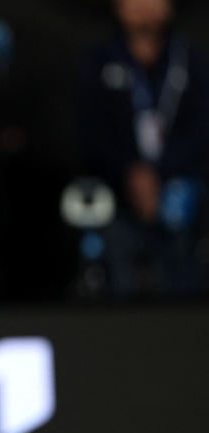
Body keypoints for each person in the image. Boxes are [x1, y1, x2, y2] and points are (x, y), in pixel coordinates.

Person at [76, 0, 209, 300]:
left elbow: (200, 130)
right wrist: (130, 172)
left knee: (184, 277)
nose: (145, 6)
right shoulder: (98, 61)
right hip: (118, 197)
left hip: (179, 197)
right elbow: (90, 132)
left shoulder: (190, 60)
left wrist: (162, 174)